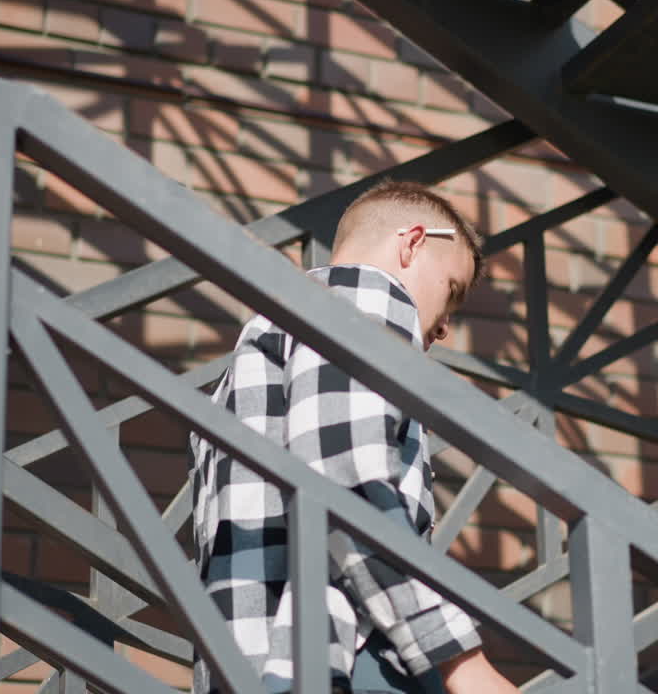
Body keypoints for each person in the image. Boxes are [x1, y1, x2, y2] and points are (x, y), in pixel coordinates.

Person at [189, 181, 520, 694]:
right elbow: (347, 480)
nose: (445, 327)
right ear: (411, 243)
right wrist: (462, 663)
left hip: (253, 658)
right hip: (342, 653)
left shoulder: (266, 336)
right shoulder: (366, 295)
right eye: (451, 289)